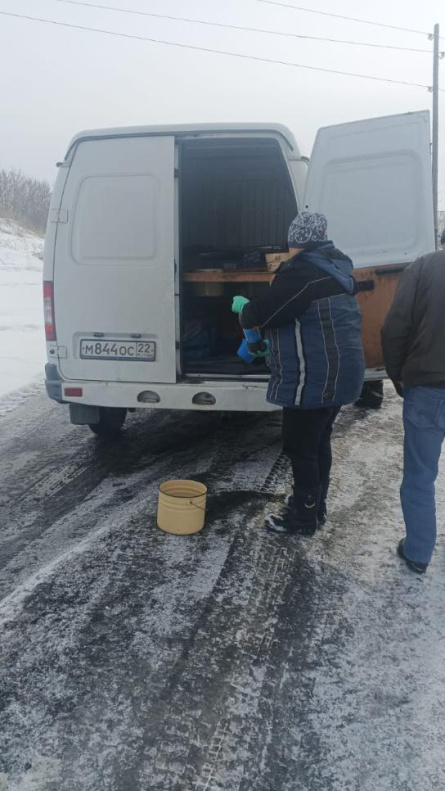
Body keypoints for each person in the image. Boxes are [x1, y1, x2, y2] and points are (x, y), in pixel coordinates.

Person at [232, 212, 365, 535]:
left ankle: (303, 517)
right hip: (340, 371)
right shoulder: (336, 266)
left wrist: (244, 309)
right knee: (317, 443)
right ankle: (315, 507)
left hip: (315, 377)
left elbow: (265, 313)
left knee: (301, 447)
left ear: (297, 241)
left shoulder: (301, 272)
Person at [382, 241, 445, 574]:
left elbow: (395, 327)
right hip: (427, 384)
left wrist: (398, 376)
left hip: (427, 386)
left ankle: (418, 551)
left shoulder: (423, 267)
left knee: (420, 474)